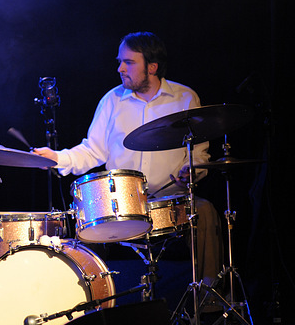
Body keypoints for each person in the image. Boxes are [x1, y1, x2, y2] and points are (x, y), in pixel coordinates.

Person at [33, 32, 223, 293]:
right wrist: (57, 157)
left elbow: (200, 154)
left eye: (128, 62)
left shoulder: (184, 98)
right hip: (122, 205)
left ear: (152, 67)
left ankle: (208, 298)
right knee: (84, 220)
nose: (120, 68)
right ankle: (90, 302)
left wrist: (192, 171)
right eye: (119, 61)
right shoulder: (112, 100)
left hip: (171, 202)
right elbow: (92, 151)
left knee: (205, 211)